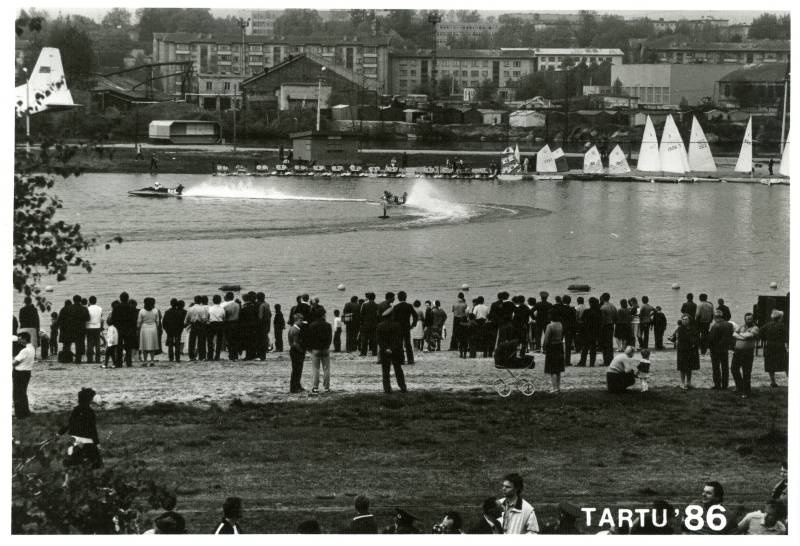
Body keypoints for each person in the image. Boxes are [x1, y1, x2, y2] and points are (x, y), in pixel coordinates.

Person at [59, 387, 102, 468]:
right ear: (89, 400)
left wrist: (59, 433)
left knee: (72, 462)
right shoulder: (90, 412)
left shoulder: (75, 410)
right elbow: (92, 430)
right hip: (87, 441)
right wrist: (97, 443)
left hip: (74, 439)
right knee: (97, 463)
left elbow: (69, 424)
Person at [377, 307, 407, 394]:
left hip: (384, 351)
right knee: (398, 369)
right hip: (395, 350)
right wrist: (393, 348)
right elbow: (398, 339)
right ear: (391, 316)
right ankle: (402, 387)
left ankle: (387, 389)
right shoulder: (397, 325)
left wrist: (386, 348)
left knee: (385, 371)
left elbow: (379, 340)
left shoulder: (379, 326)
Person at [731, 312, 759, 398]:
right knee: (734, 369)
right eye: (747, 319)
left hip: (747, 353)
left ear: (753, 319)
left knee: (746, 372)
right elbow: (733, 334)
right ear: (745, 319)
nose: (748, 320)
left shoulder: (755, 328)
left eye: (750, 319)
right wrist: (741, 336)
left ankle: (746, 392)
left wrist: (739, 335)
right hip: (737, 352)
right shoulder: (742, 326)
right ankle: (740, 387)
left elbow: (749, 336)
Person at [306, 307, 333, 395]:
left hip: (315, 349)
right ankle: (326, 387)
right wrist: (327, 346)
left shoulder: (312, 325)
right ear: (323, 315)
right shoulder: (328, 325)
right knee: (326, 369)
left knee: (315, 369)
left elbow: (309, 339)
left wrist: (310, 348)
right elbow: (329, 338)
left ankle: (315, 387)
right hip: (325, 349)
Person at [760, 309, 788, 388]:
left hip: (769, 346)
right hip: (780, 347)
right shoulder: (782, 326)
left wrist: (765, 338)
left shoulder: (767, 325)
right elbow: (786, 336)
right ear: (780, 318)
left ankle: (773, 382)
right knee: (785, 364)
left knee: (770, 365)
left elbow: (760, 333)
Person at [708, 310, 733, 390]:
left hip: (715, 349)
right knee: (725, 367)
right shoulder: (729, 325)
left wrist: (709, 347)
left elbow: (711, 338)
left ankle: (717, 385)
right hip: (725, 349)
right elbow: (730, 337)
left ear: (715, 317)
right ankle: (725, 385)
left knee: (716, 368)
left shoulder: (715, 326)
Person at [673, 314, 699, 390]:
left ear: (689, 320)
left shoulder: (693, 328)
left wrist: (694, 343)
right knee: (682, 368)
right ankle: (682, 383)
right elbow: (676, 338)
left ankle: (689, 382)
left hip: (690, 350)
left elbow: (696, 338)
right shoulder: (680, 329)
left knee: (689, 367)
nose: (684, 320)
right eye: (683, 319)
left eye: (686, 319)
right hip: (682, 350)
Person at [12, 331, 34, 419]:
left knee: (17, 394)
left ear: (25, 339)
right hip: (27, 372)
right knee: (23, 393)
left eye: (21, 339)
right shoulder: (31, 348)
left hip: (19, 373)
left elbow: (14, 362)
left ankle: (19, 414)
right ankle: (25, 412)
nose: (19, 341)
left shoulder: (24, 350)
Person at [542, 309, 564, 394]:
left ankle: (554, 388)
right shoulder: (560, 324)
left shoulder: (550, 326)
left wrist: (544, 348)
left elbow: (546, 339)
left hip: (552, 347)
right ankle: (558, 387)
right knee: (558, 369)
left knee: (552, 369)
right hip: (559, 346)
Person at [392, 291, 418, 364]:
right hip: (407, 327)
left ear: (398, 298)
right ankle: (410, 360)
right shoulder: (409, 306)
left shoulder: (396, 307)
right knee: (408, 344)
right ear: (405, 297)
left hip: (398, 328)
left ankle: (401, 360)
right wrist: (413, 325)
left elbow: (393, 318)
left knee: (399, 344)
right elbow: (415, 316)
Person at [137, 297, 161, 366]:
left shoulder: (142, 311)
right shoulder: (155, 311)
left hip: (144, 328)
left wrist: (138, 328)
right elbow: (158, 322)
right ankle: (152, 360)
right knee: (152, 345)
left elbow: (139, 322)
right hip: (153, 328)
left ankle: (145, 361)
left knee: (144, 345)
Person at [578, 297, 602, 367]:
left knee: (585, 348)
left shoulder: (587, 311)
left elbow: (582, 320)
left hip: (587, 332)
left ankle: (583, 362)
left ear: (590, 303)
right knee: (593, 349)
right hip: (595, 332)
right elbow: (600, 322)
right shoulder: (599, 312)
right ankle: (592, 363)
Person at [288, 313, 307, 393]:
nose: (302, 322)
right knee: (297, 370)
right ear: (297, 320)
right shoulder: (296, 330)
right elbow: (296, 343)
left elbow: (291, 342)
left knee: (296, 369)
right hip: (296, 351)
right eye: (301, 320)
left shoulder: (291, 328)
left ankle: (296, 385)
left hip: (293, 350)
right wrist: (302, 351)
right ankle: (295, 387)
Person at [359, 292, 379, 356]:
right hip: (374, 325)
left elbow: (361, 315)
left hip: (365, 324)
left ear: (368, 298)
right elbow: (378, 316)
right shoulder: (377, 305)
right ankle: (374, 352)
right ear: (374, 297)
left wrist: (361, 323)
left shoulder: (364, 305)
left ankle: (363, 352)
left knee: (364, 339)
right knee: (374, 339)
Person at [599, 293, 617, 365]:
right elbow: (616, 317)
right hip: (611, 325)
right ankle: (611, 359)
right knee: (610, 343)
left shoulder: (603, 307)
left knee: (605, 344)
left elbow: (602, 319)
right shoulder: (613, 306)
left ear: (603, 298)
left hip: (605, 326)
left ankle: (606, 361)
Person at [85, 296, 103, 364]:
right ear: (96, 301)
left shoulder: (88, 309)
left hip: (89, 327)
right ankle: (97, 359)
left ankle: (90, 359)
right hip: (97, 327)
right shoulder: (100, 308)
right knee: (97, 343)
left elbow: (87, 318)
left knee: (90, 343)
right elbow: (100, 316)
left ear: (89, 301)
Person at [222, 292, 241, 361]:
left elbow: (224, 316)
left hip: (229, 323)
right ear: (233, 297)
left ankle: (231, 355)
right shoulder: (238, 305)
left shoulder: (226, 306)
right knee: (235, 339)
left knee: (229, 340)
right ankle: (235, 355)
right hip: (236, 323)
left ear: (227, 297)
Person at [207, 294, 226, 361]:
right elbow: (224, 317)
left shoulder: (210, 308)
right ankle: (217, 356)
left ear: (213, 301)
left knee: (210, 340)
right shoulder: (222, 309)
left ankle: (210, 356)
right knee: (219, 341)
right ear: (220, 301)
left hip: (212, 324)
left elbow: (208, 317)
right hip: (220, 324)